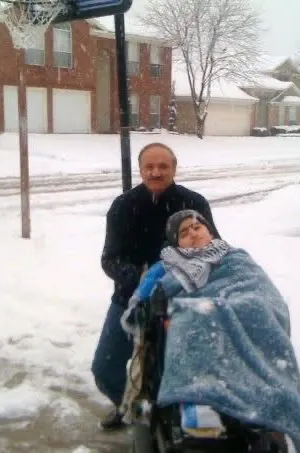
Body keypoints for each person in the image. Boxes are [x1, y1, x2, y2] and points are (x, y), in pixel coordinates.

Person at [120, 209, 300, 453]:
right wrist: (148, 305)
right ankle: (198, 400)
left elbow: (262, 291)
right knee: (195, 315)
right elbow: (140, 301)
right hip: (200, 324)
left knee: (255, 308)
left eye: (197, 227)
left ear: (209, 232)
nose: (193, 233)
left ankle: (266, 396)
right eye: (184, 232)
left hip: (243, 313)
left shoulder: (235, 257)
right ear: (176, 243)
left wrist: (241, 306)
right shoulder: (167, 267)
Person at [92, 143, 219, 430]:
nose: (156, 172)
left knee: (168, 369)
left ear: (174, 168)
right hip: (130, 300)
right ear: (140, 170)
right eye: (149, 166)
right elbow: (109, 259)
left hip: (183, 301)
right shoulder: (123, 206)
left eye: (163, 166)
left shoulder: (193, 203)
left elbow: (214, 248)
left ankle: (166, 422)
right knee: (105, 369)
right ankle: (129, 406)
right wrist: (141, 278)